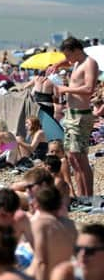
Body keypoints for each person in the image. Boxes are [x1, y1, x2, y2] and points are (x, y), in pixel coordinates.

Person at [53, 37, 99, 196]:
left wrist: (66, 90)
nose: (67, 59)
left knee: (80, 158)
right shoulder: (77, 62)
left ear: (76, 50)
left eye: (68, 55)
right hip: (71, 115)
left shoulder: (89, 63)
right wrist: (58, 64)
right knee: (73, 158)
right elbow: (70, 63)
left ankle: (88, 196)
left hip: (81, 115)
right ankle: (82, 195)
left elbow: (89, 88)